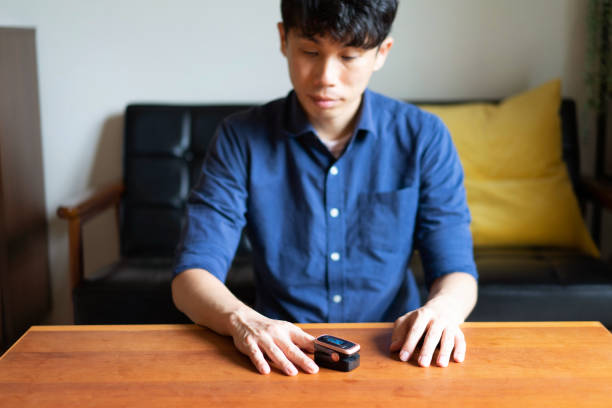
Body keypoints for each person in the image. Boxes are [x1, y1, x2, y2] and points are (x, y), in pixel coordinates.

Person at [172, 0, 478, 376]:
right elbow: (192, 274)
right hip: (279, 354)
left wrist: (442, 310)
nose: (325, 77)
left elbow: (456, 268)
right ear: (284, 39)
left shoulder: (423, 137)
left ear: (382, 52)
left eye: (349, 56)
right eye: (310, 51)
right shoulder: (240, 138)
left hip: (395, 352)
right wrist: (243, 320)